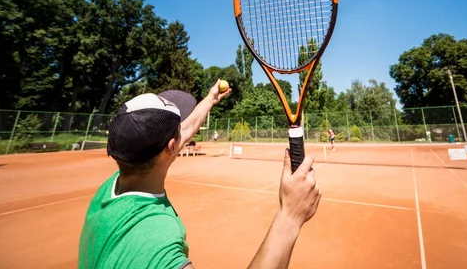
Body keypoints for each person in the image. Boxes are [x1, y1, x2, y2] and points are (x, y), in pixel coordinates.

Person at [78, 80, 321, 269]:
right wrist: (289, 217)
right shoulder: (157, 242)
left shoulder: (110, 189)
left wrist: (210, 99)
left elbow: (182, 132)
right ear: (172, 148)